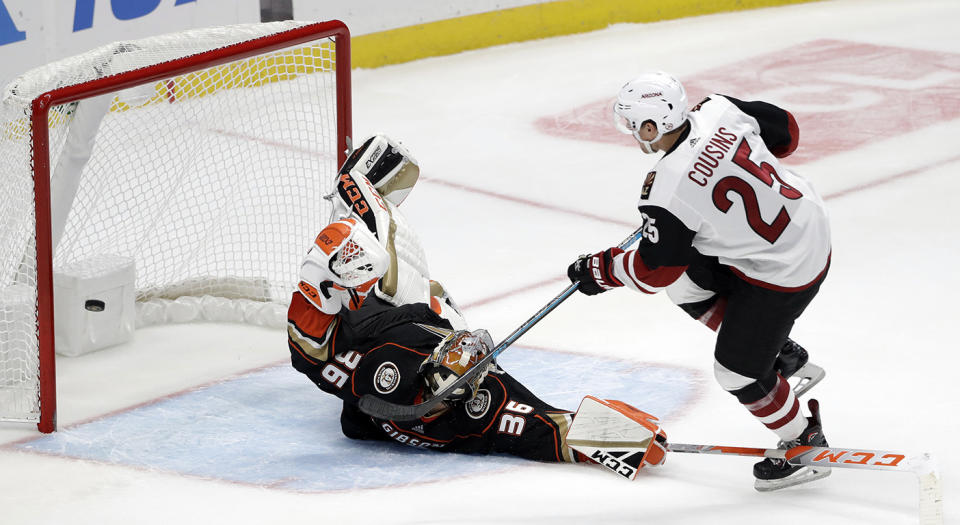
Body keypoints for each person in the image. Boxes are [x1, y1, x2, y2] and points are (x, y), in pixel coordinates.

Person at [288, 135, 668, 470]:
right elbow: (547, 427)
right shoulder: (478, 408)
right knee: (434, 299)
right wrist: (618, 439)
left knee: (398, 283)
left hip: (376, 351)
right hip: (397, 356)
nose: (464, 353)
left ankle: (358, 203)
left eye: (448, 358)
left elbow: (313, 348)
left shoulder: (367, 356)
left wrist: (324, 267)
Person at [566, 71, 832, 491]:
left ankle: (804, 440)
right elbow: (787, 133)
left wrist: (600, 269)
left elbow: (653, 272)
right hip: (806, 221)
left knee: (736, 373)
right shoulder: (717, 109)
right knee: (686, 286)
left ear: (651, 127)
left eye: (636, 127)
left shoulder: (666, 189)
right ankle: (778, 350)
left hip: (785, 270)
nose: (634, 135)